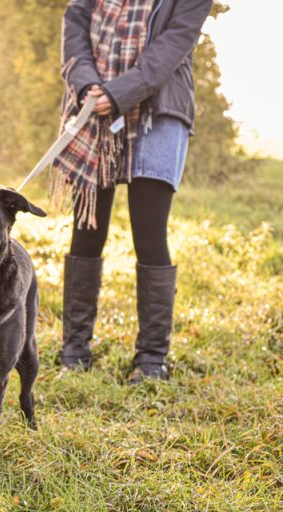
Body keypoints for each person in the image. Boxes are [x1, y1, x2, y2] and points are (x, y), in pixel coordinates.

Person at [51, 0, 213, 383]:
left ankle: (151, 359)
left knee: (149, 232)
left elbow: (173, 47)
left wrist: (119, 92)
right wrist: (89, 85)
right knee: (87, 229)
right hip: (91, 105)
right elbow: (75, 23)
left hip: (159, 108)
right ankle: (75, 349)